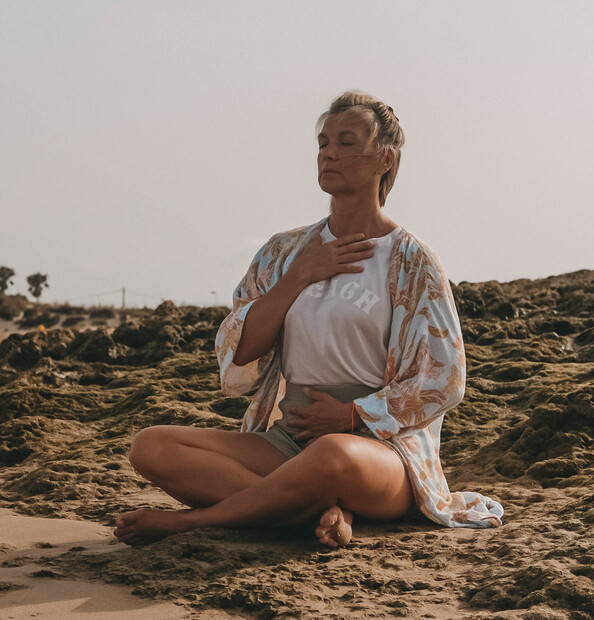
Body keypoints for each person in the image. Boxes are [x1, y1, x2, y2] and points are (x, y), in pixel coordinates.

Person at [114, 91, 504, 548]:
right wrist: (300, 275)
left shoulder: (410, 259)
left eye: (346, 142)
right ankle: (317, 512)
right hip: (287, 437)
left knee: (331, 456)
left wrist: (355, 414)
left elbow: (446, 375)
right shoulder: (283, 252)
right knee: (152, 447)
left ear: (385, 158)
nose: (329, 153)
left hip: (379, 451)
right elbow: (240, 353)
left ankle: (194, 521)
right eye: (322, 143)